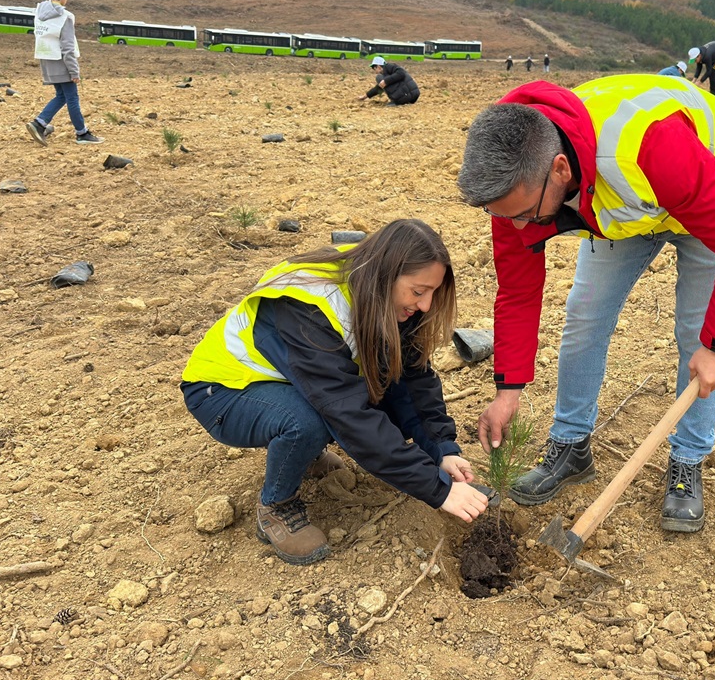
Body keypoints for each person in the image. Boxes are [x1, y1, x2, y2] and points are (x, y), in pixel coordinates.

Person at [456, 75, 715, 534]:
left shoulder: (645, 146)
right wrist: (509, 390)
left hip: (711, 179)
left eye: (525, 214)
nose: (520, 228)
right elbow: (518, 292)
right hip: (629, 206)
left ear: (560, 169)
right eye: (506, 216)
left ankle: (687, 461)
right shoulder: (513, 183)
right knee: (585, 315)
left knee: (696, 335)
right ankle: (570, 446)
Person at [180, 219, 489, 566]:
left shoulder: (381, 290)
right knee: (310, 421)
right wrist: (437, 489)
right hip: (222, 390)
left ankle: (304, 453)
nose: (427, 305)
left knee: (374, 394)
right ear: (387, 273)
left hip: (290, 379)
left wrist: (441, 449)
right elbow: (347, 413)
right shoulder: (310, 305)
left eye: (432, 292)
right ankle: (276, 505)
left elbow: (412, 381)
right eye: (419, 292)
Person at [24, 0, 102, 145]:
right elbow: (67, 48)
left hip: (46, 59)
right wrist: (74, 71)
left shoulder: (38, 12)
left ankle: (40, 123)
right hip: (61, 61)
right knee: (72, 97)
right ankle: (82, 133)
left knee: (62, 95)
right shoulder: (65, 17)